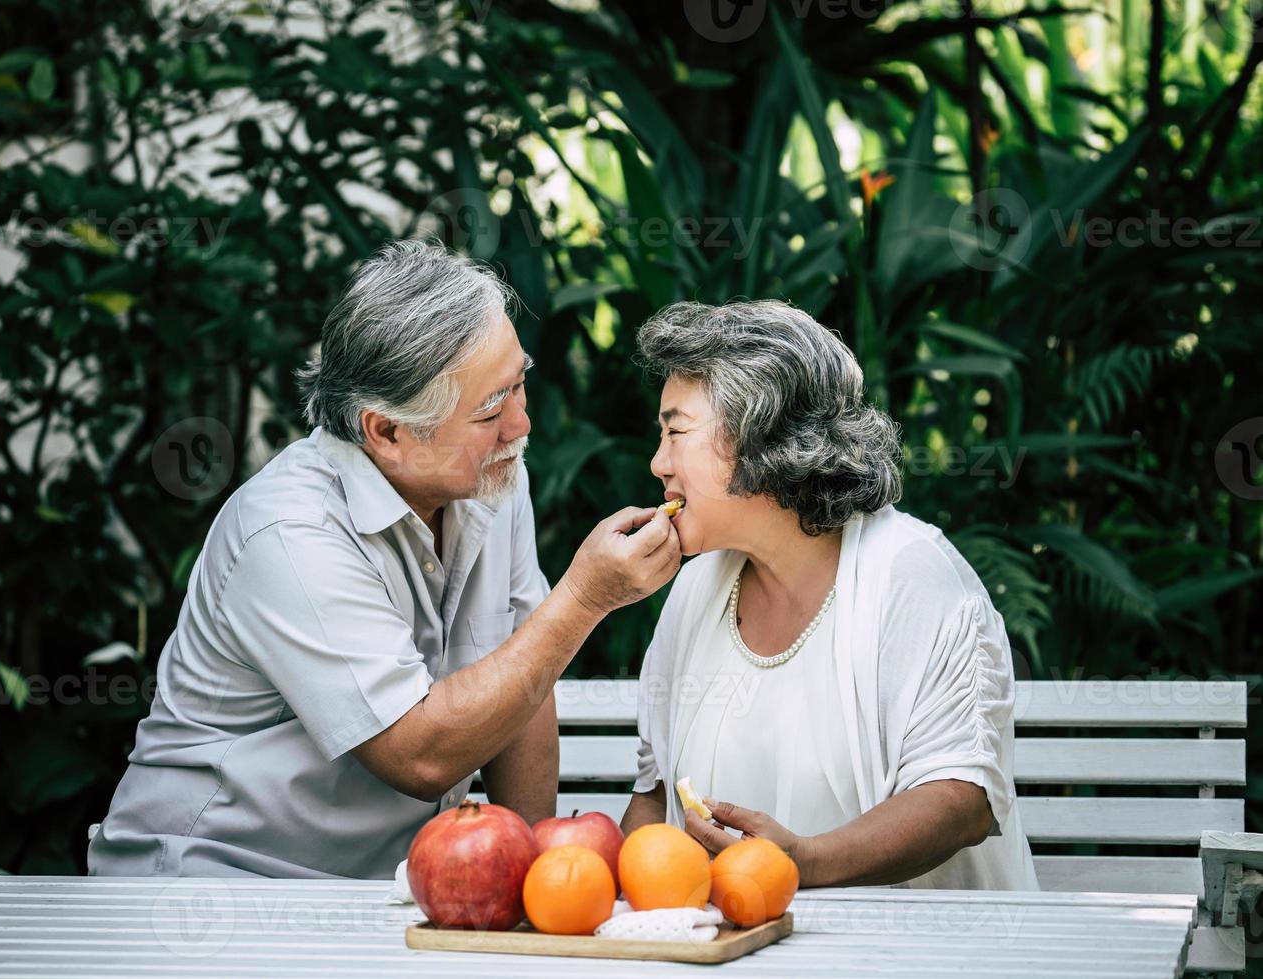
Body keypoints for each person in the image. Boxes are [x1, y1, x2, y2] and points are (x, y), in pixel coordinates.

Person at [88, 241, 681, 878]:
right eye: (490, 408)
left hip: (378, 892)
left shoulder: (490, 473)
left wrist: (534, 882)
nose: (521, 425)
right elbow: (418, 756)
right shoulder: (290, 532)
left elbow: (523, 670)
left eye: (520, 384)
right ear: (387, 432)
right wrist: (586, 597)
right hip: (213, 880)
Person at [621, 299, 1039, 890]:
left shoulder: (913, 574)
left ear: (758, 434)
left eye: (676, 430)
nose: (658, 460)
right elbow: (655, 798)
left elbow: (960, 797)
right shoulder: (695, 586)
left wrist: (802, 863)